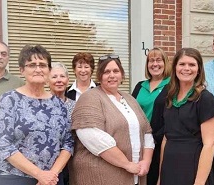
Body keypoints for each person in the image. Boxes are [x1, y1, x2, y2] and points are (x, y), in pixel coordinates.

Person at [0, 45, 73, 185]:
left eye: (42, 65)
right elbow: (2, 143)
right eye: (32, 65)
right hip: (14, 178)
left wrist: (51, 175)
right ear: (22, 70)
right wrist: (39, 174)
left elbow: (68, 143)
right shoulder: (9, 100)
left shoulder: (59, 104)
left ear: (48, 70)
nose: (38, 69)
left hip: (52, 180)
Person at [70, 54, 154, 185]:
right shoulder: (89, 98)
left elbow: (147, 132)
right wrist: (126, 164)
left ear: (122, 74)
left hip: (135, 174)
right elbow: (92, 136)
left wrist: (146, 162)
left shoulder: (130, 99)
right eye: (106, 72)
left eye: (116, 71)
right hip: (100, 176)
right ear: (99, 76)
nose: (112, 75)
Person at [158, 48, 214, 185]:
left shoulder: (205, 99)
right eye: (182, 64)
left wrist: (199, 182)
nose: (186, 68)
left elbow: (210, 144)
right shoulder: (169, 97)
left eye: (192, 65)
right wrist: (160, 177)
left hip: (193, 166)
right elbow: (166, 139)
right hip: (170, 166)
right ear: (174, 68)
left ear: (199, 70)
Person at [131, 47, 171, 185]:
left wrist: (156, 137)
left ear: (165, 63)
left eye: (158, 60)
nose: (155, 64)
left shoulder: (172, 86)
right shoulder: (140, 86)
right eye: (151, 61)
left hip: (160, 142)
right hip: (139, 142)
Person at [48, 62, 76, 185]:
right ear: (47, 80)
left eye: (62, 76)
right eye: (54, 77)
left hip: (70, 162)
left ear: (68, 80)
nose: (59, 80)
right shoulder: (40, 104)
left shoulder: (75, 106)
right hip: (48, 163)